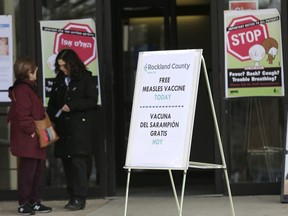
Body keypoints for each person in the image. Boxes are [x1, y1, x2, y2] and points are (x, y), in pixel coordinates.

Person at [47, 48, 98, 211]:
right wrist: (53, 117)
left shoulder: (86, 78)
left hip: (79, 128)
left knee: (78, 163)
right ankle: (72, 195)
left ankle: (80, 197)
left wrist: (73, 106)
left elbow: (92, 101)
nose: (62, 69)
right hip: (63, 127)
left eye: (64, 66)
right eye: (60, 66)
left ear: (72, 64)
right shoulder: (59, 80)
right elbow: (52, 103)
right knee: (67, 162)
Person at [7, 57, 52, 215]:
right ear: (28, 72)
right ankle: (24, 203)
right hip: (29, 138)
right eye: (34, 69)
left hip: (33, 137)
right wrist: (33, 131)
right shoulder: (23, 90)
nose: (37, 71)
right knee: (28, 172)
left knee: (36, 171)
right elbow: (23, 116)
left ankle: (34, 202)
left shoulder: (27, 88)